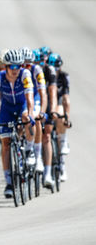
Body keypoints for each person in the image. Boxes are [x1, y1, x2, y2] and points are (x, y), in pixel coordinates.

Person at [0, 49, 36, 198]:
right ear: (6, 66)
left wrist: (31, 113)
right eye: (13, 66)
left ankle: (29, 151)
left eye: (19, 66)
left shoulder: (25, 74)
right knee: (5, 144)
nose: (16, 69)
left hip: (22, 106)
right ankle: (9, 182)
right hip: (7, 109)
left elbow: (30, 97)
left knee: (26, 117)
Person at [21, 47, 47, 174]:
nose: (26, 68)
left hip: (34, 98)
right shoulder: (14, 71)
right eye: (23, 65)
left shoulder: (37, 70)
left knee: (35, 119)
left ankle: (36, 155)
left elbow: (43, 93)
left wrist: (42, 111)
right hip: (21, 99)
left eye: (28, 65)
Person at [36, 48, 58, 189]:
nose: (39, 64)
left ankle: (48, 173)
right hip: (34, 102)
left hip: (47, 101)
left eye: (42, 62)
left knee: (47, 135)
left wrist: (53, 110)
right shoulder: (30, 70)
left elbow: (53, 93)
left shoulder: (49, 70)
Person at [48, 53, 71, 181]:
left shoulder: (64, 76)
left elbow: (66, 98)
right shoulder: (44, 75)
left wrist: (66, 118)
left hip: (58, 104)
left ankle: (63, 142)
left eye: (56, 67)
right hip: (47, 105)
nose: (54, 70)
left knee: (61, 112)